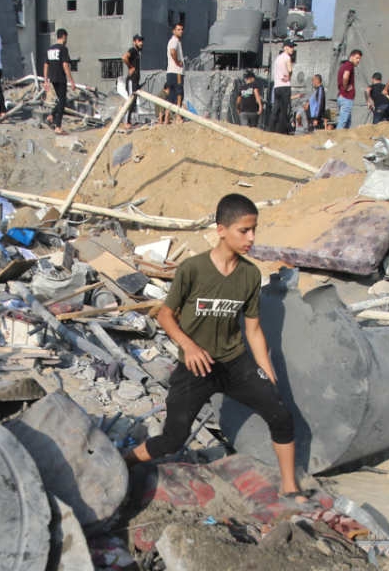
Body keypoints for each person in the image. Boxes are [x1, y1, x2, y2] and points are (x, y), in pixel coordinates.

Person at [122, 194, 305, 502]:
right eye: (244, 231)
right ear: (221, 230)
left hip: (235, 362)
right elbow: (165, 315)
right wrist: (189, 347)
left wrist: (268, 374)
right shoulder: (193, 269)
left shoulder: (249, 275)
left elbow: (254, 330)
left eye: (254, 230)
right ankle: (124, 461)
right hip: (196, 366)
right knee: (172, 439)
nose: (252, 238)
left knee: (281, 415)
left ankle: (290, 487)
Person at [44, 28, 75, 135]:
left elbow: (46, 64)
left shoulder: (50, 49)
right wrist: (71, 81)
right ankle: (58, 126)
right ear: (63, 36)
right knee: (62, 101)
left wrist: (45, 80)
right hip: (61, 78)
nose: (66, 40)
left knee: (62, 100)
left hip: (52, 78)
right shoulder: (63, 49)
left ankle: (51, 116)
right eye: (66, 38)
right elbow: (65, 65)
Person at [270, 40, 295, 134]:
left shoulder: (277, 58)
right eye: (290, 47)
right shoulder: (287, 57)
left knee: (275, 109)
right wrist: (289, 76)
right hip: (285, 86)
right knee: (284, 110)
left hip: (277, 86)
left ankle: (271, 129)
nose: (292, 49)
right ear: (285, 47)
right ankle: (281, 131)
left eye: (292, 47)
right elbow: (290, 69)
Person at [336, 49, 362, 129]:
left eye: (359, 59)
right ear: (351, 56)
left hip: (342, 96)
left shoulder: (344, 65)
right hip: (346, 97)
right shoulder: (349, 65)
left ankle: (343, 139)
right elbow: (345, 76)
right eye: (357, 58)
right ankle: (336, 139)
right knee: (343, 122)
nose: (358, 60)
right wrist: (346, 87)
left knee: (347, 122)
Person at [123, 34, 144, 128]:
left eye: (141, 41)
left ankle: (129, 121)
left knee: (134, 101)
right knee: (131, 100)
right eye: (139, 41)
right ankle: (126, 121)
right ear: (134, 42)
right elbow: (124, 57)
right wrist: (130, 67)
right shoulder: (133, 50)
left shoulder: (137, 52)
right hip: (131, 80)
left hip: (135, 81)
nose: (141, 43)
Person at [166, 23, 185, 119]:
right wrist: (177, 62)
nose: (181, 31)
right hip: (176, 72)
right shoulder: (174, 41)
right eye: (178, 29)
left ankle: (166, 117)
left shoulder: (174, 41)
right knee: (179, 93)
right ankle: (178, 116)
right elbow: (173, 51)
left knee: (171, 95)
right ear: (174, 31)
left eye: (181, 29)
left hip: (170, 72)